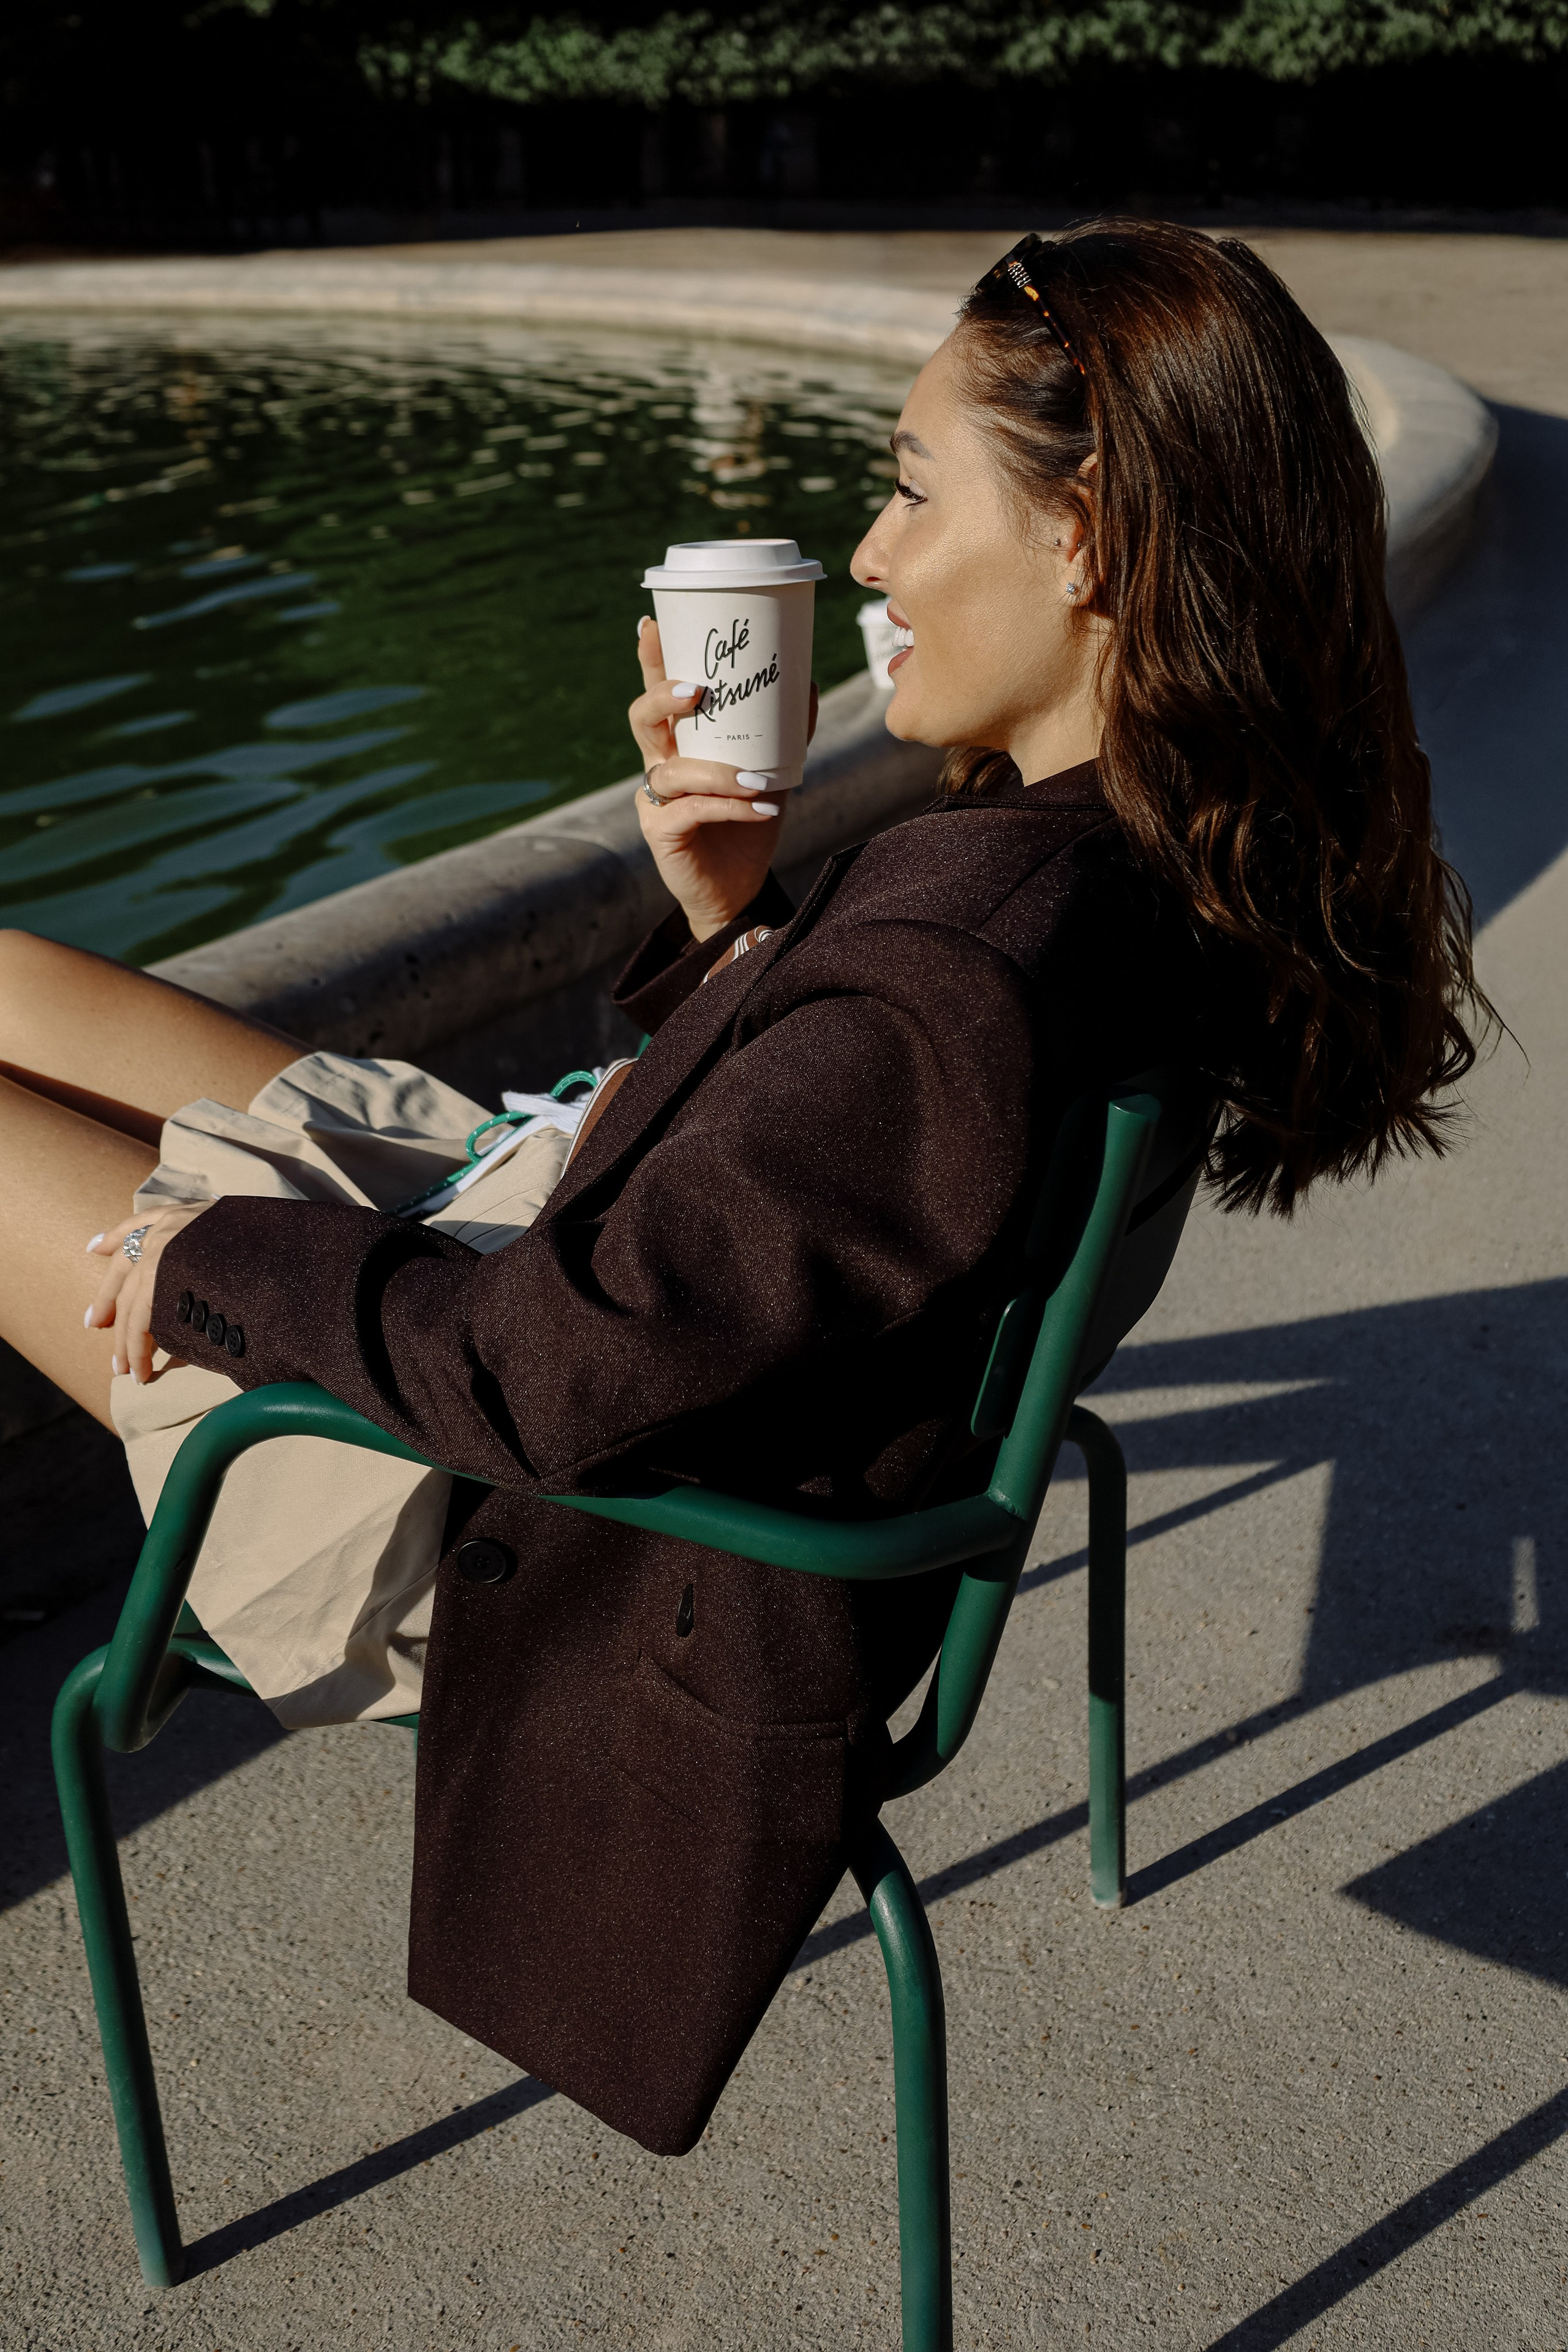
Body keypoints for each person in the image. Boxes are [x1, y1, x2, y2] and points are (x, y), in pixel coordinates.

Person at [0, 221, 1483, 2153]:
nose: (866, 554)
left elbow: (551, 1375)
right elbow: (821, 1175)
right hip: (565, 1269)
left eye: (908, 489)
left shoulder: (970, 957)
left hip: (513, 1512)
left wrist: (222, 1264)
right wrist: (732, 927)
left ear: (1090, 540)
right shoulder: (1128, 858)